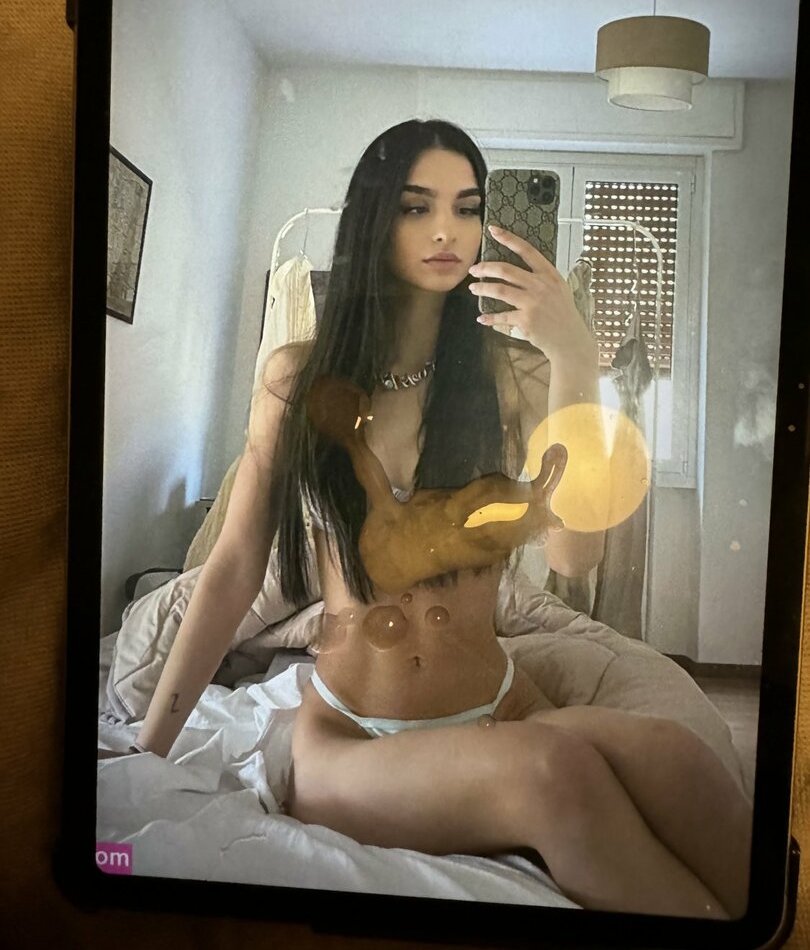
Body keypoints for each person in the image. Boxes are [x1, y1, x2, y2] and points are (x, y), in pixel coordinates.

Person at [133, 120, 751, 918]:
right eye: (416, 206)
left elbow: (575, 554)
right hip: (350, 736)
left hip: (502, 705)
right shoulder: (296, 381)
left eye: (466, 208)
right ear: (373, 218)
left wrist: (573, 357)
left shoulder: (509, 378)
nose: (445, 231)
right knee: (552, 775)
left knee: (677, 756)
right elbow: (230, 572)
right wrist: (149, 749)